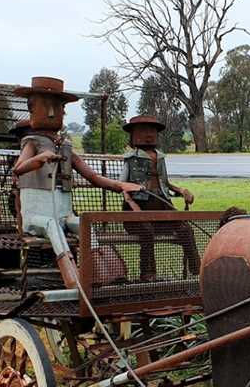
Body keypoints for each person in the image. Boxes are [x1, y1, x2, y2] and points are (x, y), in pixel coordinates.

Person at [12, 76, 141, 287]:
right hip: (36, 217)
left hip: (63, 213)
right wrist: (38, 159)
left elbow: (92, 176)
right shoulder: (32, 142)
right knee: (52, 226)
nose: (55, 112)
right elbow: (19, 168)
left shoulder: (65, 146)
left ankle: (107, 275)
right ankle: (73, 280)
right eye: (48, 107)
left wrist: (120, 186)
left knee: (84, 224)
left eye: (59, 107)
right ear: (32, 109)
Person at [121, 115, 199, 280]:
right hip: (137, 211)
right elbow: (122, 186)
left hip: (162, 206)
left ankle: (197, 268)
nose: (149, 135)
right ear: (133, 135)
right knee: (147, 232)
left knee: (186, 229)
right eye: (143, 131)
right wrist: (133, 206)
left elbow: (165, 183)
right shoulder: (130, 159)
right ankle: (148, 273)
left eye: (152, 131)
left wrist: (182, 190)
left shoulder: (161, 158)